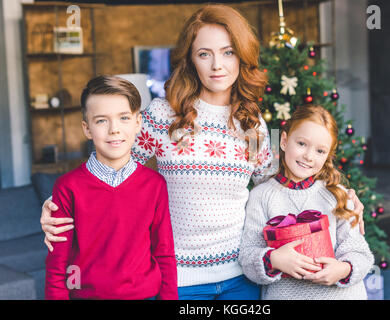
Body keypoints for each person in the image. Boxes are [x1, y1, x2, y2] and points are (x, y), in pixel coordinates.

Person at [40, 5, 365, 300]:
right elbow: (113, 175)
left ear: (242, 56)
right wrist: (55, 206)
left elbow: (280, 191)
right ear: (190, 59)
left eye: (228, 52)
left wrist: (340, 199)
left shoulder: (254, 126)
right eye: (204, 54)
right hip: (177, 279)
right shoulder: (162, 115)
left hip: (242, 278)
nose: (218, 66)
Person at [45, 75, 178, 300]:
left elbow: (164, 253)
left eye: (124, 118)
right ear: (87, 129)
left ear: (138, 123)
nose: (114, 129)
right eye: (101, 121)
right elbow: (57, 265)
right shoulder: (67, 187)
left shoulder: (155, 185)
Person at [239, 104, 374, 300]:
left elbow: (361, 254)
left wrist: (343, 269)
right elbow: (248, 256)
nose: (309, 156)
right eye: (301, 144)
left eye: (320, 151)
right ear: (284, 141)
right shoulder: (261, 196)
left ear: (328, 156)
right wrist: (273, 259)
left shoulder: (338, 196)